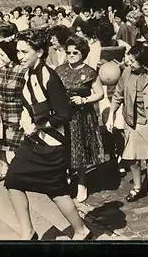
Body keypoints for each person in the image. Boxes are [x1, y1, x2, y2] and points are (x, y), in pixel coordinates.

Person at [4, 28, 92, 241]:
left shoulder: (49, 77)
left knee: (57, 191)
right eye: (18, 51)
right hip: (34, 143)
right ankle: (28, 233)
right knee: (13, 180)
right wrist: (26, 118)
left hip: (53, 145)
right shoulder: (28, 72)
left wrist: (38, 126)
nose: (19, 56)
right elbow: (30, 103)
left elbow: (64, 114)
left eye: (25, 52)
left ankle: (82, 231)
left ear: (40, 53)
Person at [106, 43, 148, 204]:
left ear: (143, 63)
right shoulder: (126, 73)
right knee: (132, 157)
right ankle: (136, 187)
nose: (129, 64)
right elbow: (118, 95)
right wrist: (111, 115)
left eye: (133, 61)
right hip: (132, 121)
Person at [55, 35, 106, 203]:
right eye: (68, 52)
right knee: (63, 149)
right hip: (63, 115)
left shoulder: (89, 72)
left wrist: (84, 100)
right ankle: (66, 178)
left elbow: (99, 93)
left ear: (82, 53)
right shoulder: (60, 69)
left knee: (79, 149)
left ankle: (82, 183)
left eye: (75, 52)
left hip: (81, 116)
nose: (71, 55)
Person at [0, 40, 27, 182]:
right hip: (0, 113)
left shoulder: (23, 70)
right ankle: (5, 166)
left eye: (3, 55)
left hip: (16, 112)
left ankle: (20, 172)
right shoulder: (0, 69)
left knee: (19, 147)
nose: (1, 58)